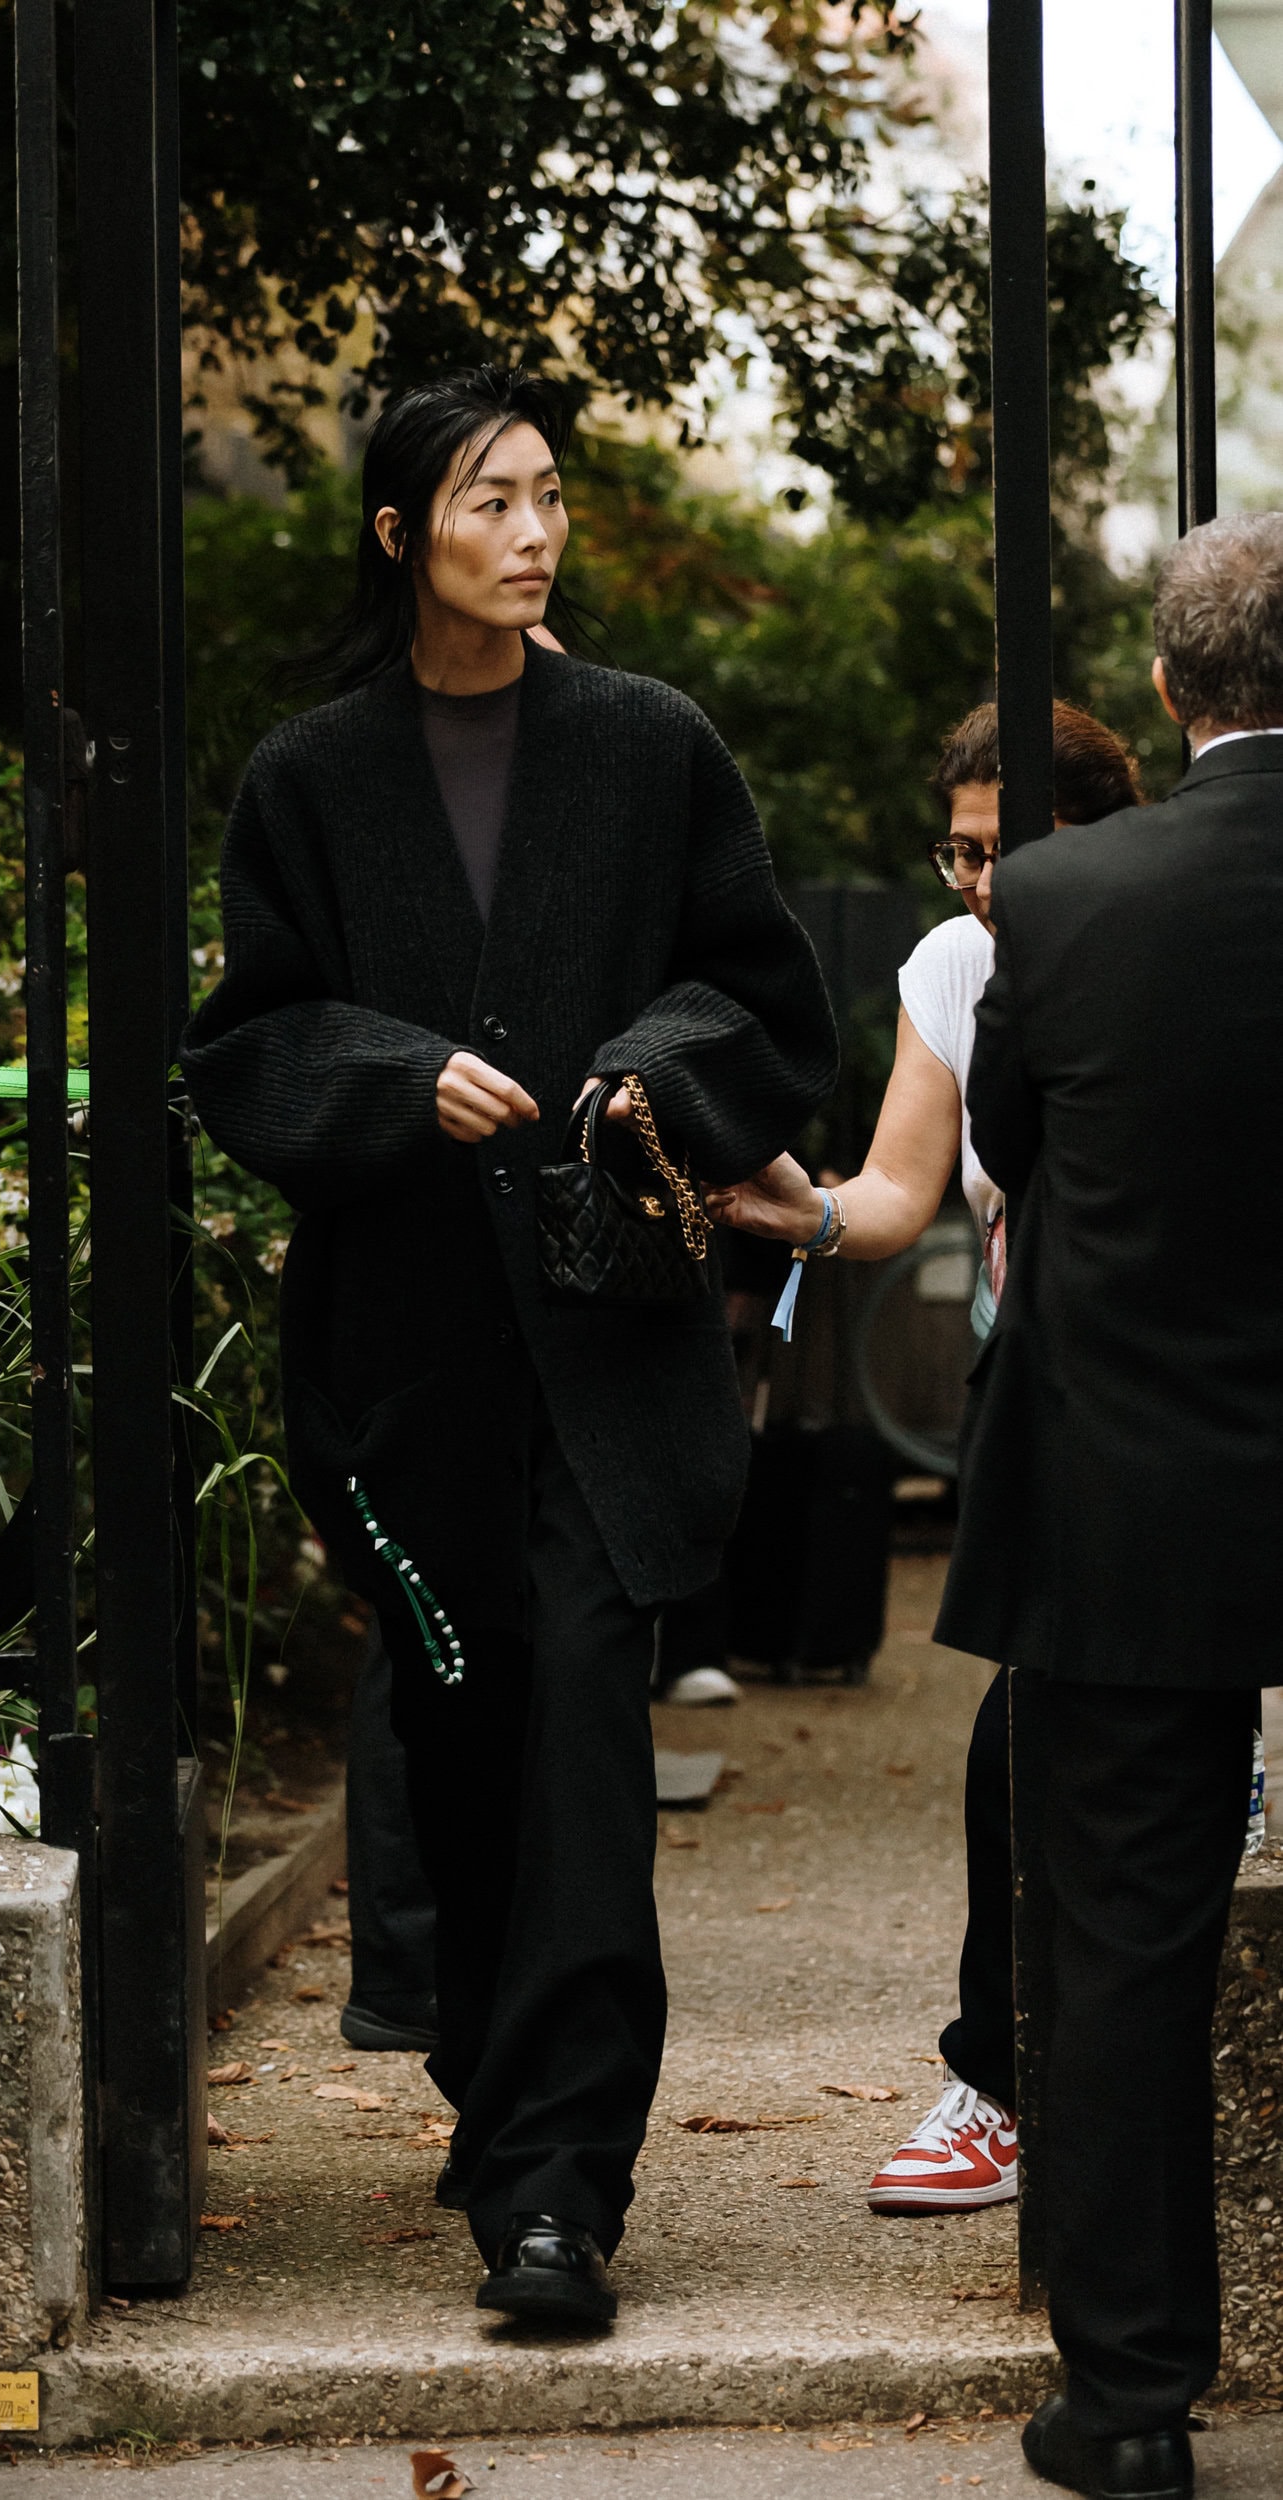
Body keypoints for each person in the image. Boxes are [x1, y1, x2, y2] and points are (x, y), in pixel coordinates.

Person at [182, 364, 836, 2324]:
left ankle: (562, 2191)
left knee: (580, 1741)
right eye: (491, 500)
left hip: (609, 1347)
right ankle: (500, 2096)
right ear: (403, 535)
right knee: (462, 1739)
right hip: (408, 1366)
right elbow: (246, 1043)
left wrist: (648, 1071)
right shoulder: (310, 776)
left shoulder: (648, 743)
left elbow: (763, 991)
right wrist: (397, 1077)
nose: (534, 531)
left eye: (549, 493)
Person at [936, 512, 1283, 2500]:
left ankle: (1134, 2399)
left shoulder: (1061, 898)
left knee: (1130, 1940)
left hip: (1136, 1474)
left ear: (1166, 685)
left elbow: (1011, 1140)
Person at [710, 701, 1142, 2220]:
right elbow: (899, 1192)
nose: (977, 880)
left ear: (1096, 835)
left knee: (1080, 1735)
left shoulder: (1158, 935)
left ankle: (1038, 2088)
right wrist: (801, 1211)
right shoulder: (955, 966)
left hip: (1172, 1387)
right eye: (959, 851)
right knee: (1024, 1736)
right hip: (1040, 1387)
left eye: (1004, 848)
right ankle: (1002, 2089)